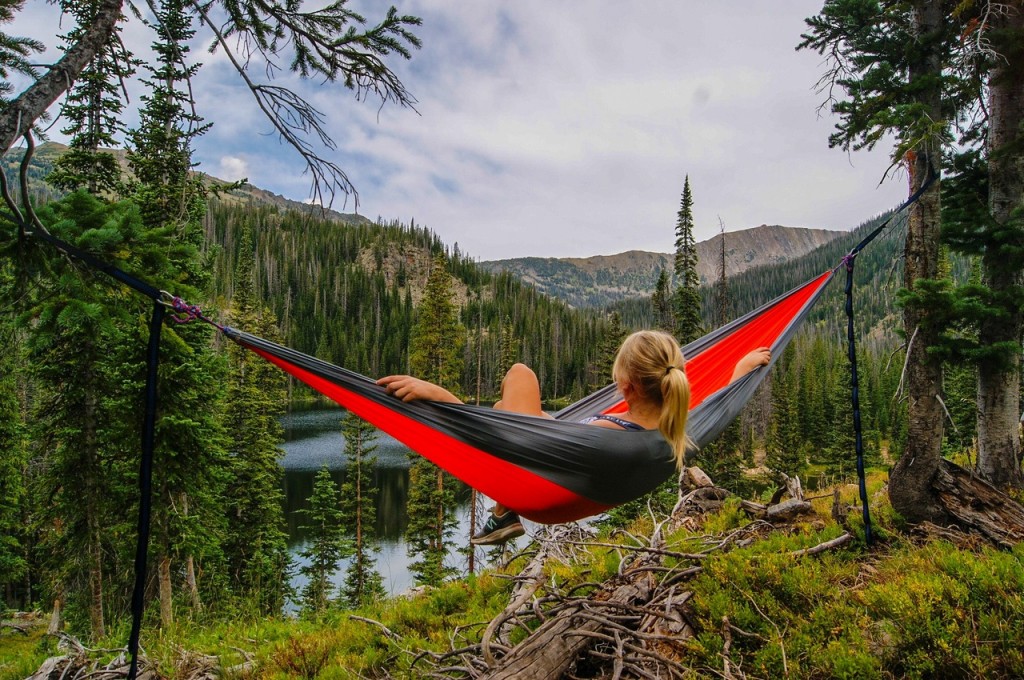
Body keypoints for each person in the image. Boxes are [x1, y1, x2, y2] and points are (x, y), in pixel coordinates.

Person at [377, 330, 771, 545]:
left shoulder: (607, 438)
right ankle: (501, 513)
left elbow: (504, 446)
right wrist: (739, 371)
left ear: (627, 386)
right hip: (569, 469)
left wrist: (443, 400)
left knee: (520, 374)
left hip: (543, 492)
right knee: (503, 406)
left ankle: (504, 511)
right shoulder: (678, 430)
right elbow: (717, 406)